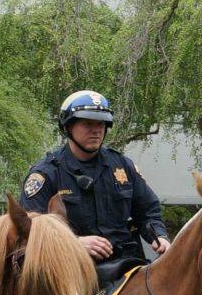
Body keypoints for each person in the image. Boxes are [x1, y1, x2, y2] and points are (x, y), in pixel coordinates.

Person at [18, 90, 172, 270]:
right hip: (73, 270)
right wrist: (74, 243)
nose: (96, 130)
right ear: (67, 126)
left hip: (128, 266)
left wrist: (159, 236)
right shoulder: (46, 174)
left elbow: (148, 211)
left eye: (101, 124)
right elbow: (29, 231)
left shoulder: (122, 166)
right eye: (87, 123)